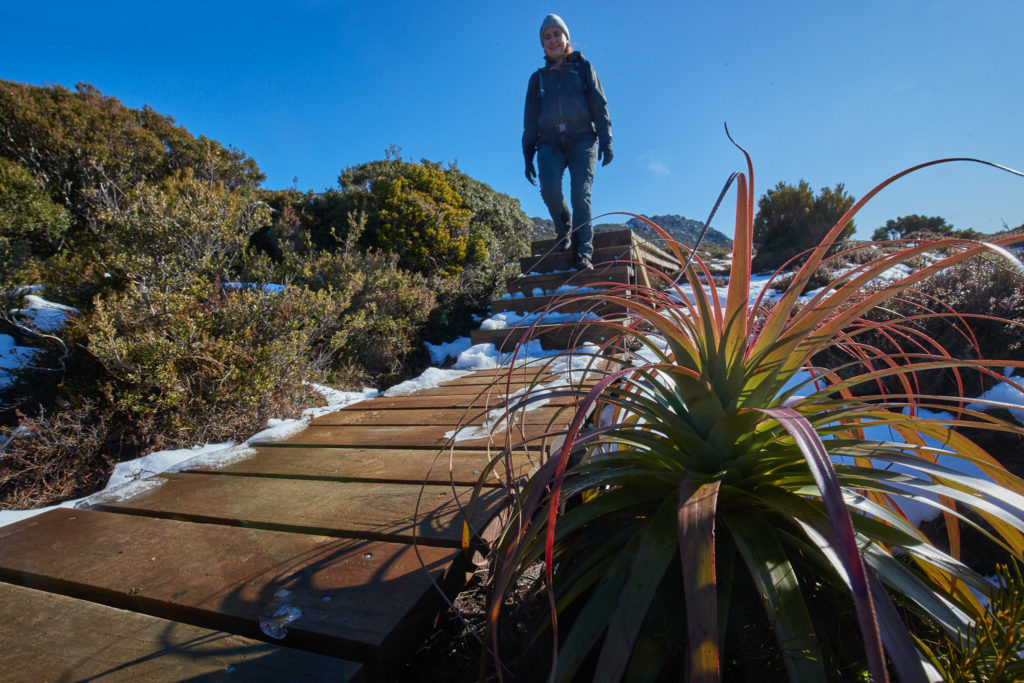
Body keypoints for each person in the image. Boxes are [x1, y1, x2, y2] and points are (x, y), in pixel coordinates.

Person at [522, 13, 613, 271]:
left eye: (556, 34)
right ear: (543, 44)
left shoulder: (583, 68)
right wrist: (527, 155)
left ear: (566, 37)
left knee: (580, 194)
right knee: (549, 191)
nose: (553, 40)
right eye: (547, 37)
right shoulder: (537, 79)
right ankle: (564, 230)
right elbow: (530, 120)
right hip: (549, 142)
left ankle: (583, 252)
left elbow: (598, 103)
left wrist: (606, 140)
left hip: (582, 138)